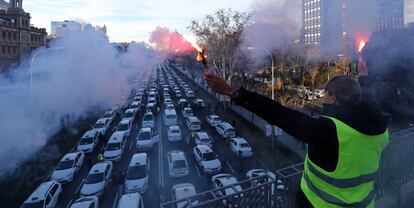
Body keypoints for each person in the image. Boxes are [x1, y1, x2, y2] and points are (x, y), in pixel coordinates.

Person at [205, 73, 389, 208]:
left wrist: (233, 92)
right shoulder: (381, 130)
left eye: (325, 95)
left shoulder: (328, 132)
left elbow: (279, 114)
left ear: (333, 98)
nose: (323, 99)